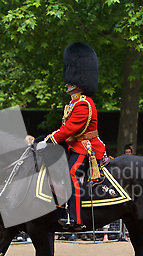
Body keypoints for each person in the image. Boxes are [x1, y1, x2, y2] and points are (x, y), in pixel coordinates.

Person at [41, 42, 105, 229]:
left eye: (70, 81)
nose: (67, 83)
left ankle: (75, 218)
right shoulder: (73, 103)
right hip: (73, 145)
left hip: (85, 147)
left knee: (72, 174)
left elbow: (69, 129)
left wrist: (48, 140)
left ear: (79, 82)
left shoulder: (83, 104)